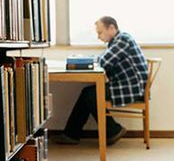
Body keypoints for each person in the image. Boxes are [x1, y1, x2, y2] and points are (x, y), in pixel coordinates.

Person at [56, 16, 149, 145]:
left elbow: (104, 61)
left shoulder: (123, 40)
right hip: (126, 84)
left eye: (100, 32)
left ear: (111, 28)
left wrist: (90, 59)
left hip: (132, 88)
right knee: (88, 94)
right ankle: (73, 134)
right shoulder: (116, 41)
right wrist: (93, 59)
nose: (98, 37)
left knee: (90, 94)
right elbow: (103, 59)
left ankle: (110, 130)